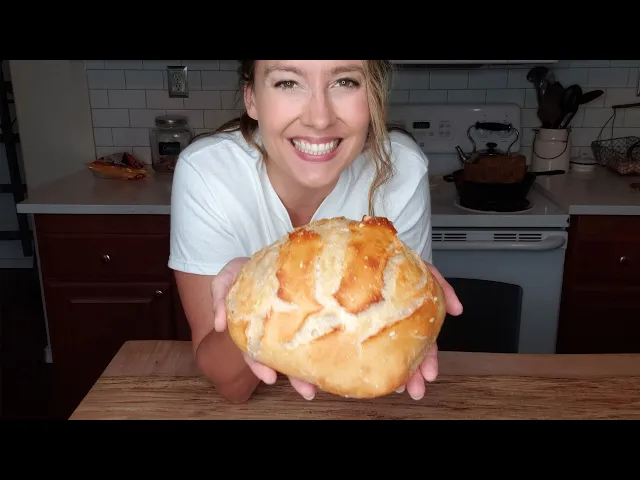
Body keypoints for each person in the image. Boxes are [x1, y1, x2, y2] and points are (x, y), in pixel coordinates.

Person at [168, 60, 463, 404]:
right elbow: (231, 387)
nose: (319, 118)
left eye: (345, 82)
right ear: (251, 99)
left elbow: (395, 355)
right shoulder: (208, 173)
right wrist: (247, 297)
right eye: (288, 83)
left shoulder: (399, 167)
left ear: (374, 97)